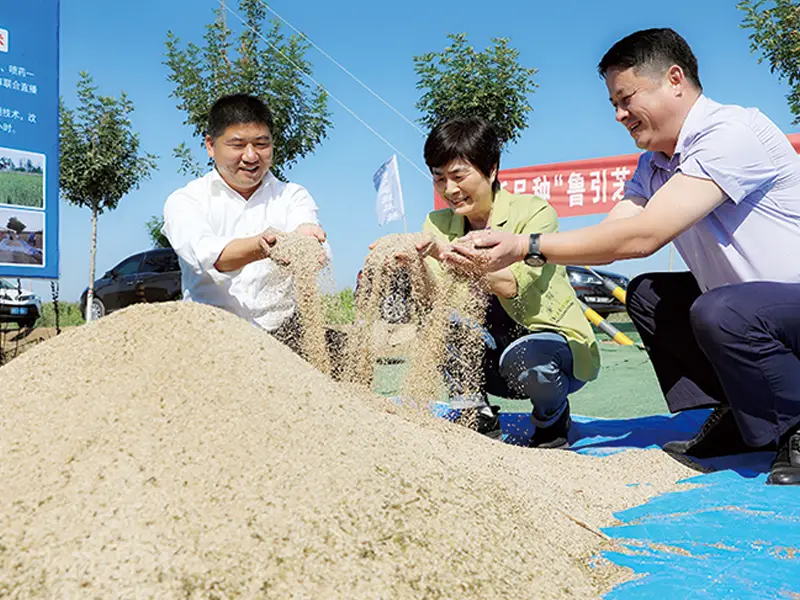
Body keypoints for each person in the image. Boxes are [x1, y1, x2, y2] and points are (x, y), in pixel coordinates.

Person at [449, 29, 800, 484]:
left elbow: (645, 235)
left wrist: (527, 245)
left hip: (787, 306)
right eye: (614, 104)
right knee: (650, 296)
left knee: (721, 310)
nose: (619, 115)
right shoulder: (653, 163)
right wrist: (500, 249)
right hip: (757, 312)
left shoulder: (732, 133)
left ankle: (794, 425)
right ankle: (741, 412)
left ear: (674, 79)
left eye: (626, 98)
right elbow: (613, 233)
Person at [395, 116, 600, 447]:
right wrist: (412, 266)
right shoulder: (436, 223)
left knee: (529, 358)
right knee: (440, 322)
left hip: (543, 347)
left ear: (491, 169)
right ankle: (475, 411)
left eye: (459, 176)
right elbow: (435, 298)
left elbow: (511, 285)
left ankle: (551, 416)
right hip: (487, 353)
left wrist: (444, 253)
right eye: (439, 178)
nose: (450, 190)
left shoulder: (534, 213)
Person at [163, 93, 329, 338]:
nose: (251, 156)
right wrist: (263, 246)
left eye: (261, 144)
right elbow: (209, 256)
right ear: (211, 145)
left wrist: (307, 238)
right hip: (210, 336)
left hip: (283, 337)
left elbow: (305, 227)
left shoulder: (292, 196)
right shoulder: (186, 201)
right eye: (237, 145)